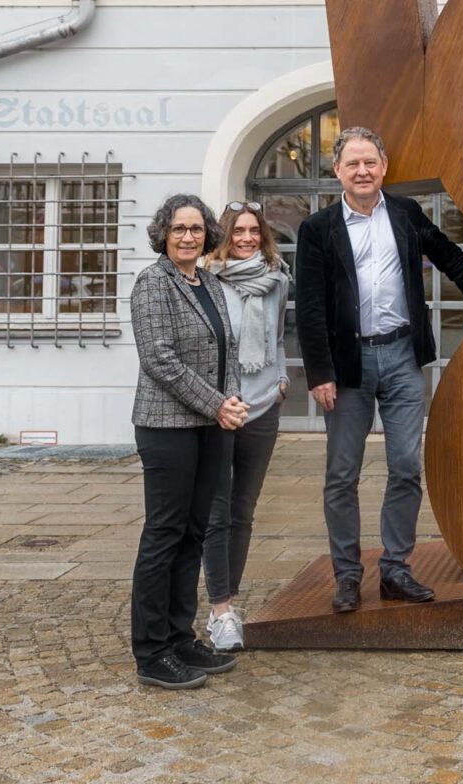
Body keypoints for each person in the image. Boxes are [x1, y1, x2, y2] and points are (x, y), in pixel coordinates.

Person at [295, 126, 463, 613]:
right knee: (341, 474)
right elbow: (307, 307)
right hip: (348, 366)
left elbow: (450, 254)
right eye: (352, 164)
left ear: (384, 167)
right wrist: (319, 373)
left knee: (407, 467)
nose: (362, 171)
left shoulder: (406, 214)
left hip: (400, 357)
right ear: (337, 172)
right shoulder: (318, 229)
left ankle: (395, 568)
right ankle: (348, 576)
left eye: (370, 162)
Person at [128, 194, 247, 690]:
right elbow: (160, 359)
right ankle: (152, 652)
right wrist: (217, 403)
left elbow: (228, 350)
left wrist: (234, 398)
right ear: (163, 232)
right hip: (167, 428)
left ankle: (180, 639)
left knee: (195, 534)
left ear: (206, 236)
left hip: (211, 428)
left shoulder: (210, 284)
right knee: (164, 536)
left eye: (196, 229)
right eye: (178, 228)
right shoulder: (152, 284)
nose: (187, 236)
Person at [200, 201, 290, 652]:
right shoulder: (206, 280)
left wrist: (281, 380)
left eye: (254, 231)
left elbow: (276, 337)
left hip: (262, 408)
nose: (247, 238)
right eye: (238, 231)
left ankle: (228, 601)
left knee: (243, 512)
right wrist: (216, 401)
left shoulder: (277, 279)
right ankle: (220, 612)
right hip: (220, 410)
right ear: (224, 234)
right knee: (216, 512)